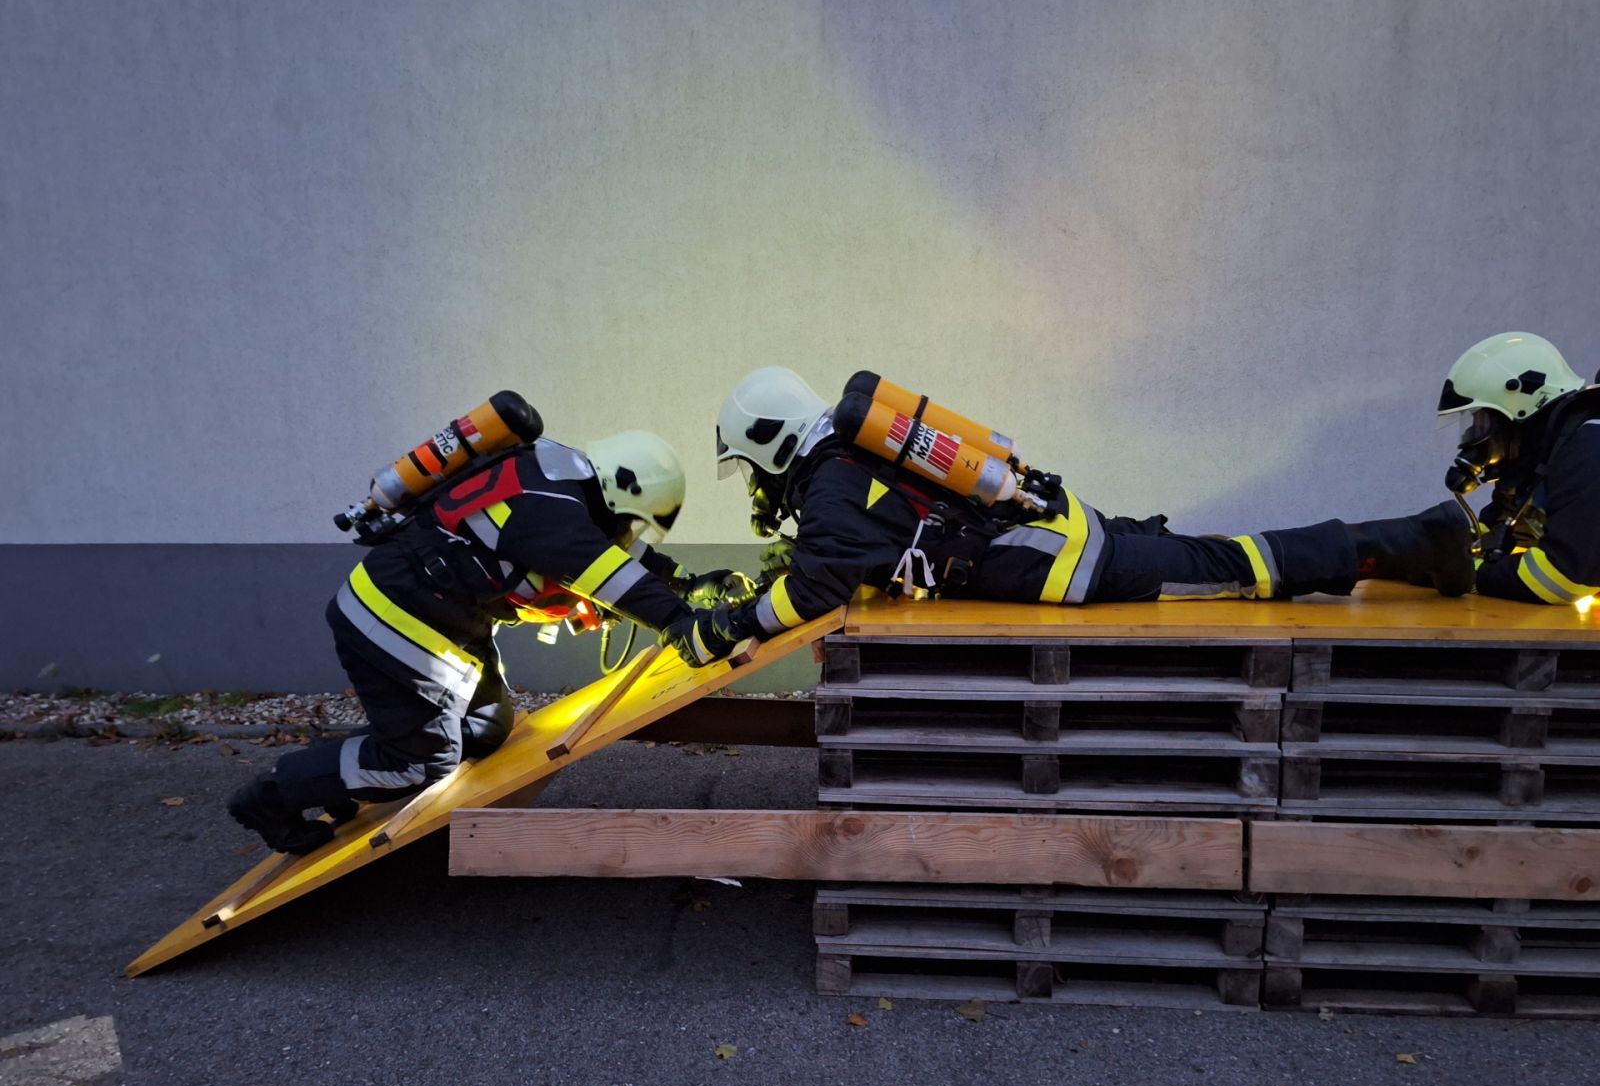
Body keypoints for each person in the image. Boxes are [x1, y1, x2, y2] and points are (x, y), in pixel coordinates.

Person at [659, 363, 1501, 667]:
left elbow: (814, 586)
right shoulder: (850, 461)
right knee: (1205, 556)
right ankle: (1409, 542)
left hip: (1057, 566)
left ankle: (1412, 540)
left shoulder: (834, 487)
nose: (754, 485)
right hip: (1055, 529)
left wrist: (726, 625)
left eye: (748, 466)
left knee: (1234, 570)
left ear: (769, 443)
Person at [229, 429, 733, 854]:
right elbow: (607, 571)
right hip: (392, 617)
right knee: (421, 763)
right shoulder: (552, 514)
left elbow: (615, 550)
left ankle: (335, 768)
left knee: (486, 726)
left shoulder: (556, 482)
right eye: (632, 520)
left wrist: (687, 582)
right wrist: (678, 620)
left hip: (440, 618)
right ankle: (269, 798)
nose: (629, 532)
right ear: (620, 492)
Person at [1437, 332, 1600, 605]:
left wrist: (1469, 575)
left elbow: (1563, 577)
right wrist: (1422, 549)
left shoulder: (1591, 448)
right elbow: (1495, 531)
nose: (1475, 439)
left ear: (1519, 409)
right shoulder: (1544, 458)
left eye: (1482, 422)